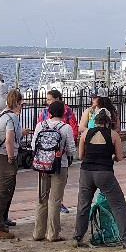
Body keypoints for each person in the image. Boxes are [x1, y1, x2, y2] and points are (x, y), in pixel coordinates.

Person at [72, 108, 126, 249]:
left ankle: (77, 237)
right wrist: (111, 157)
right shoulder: (113, 135)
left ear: (95, 120)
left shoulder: (86, 133)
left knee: (83, 204)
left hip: (86, 172)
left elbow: (81, 156)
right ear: (109, 121)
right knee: (118, 204)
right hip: (104, 172)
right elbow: (120, 157)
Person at [32, 100, 76, 242]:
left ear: (49, 113)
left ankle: (38, 232)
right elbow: (70, 150)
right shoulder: (66, 128)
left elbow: (34, 145)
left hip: (42, 166)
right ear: (63, 113)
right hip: (59, 165)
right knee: (55, 200)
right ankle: (53, 233)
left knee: (41, 199)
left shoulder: (40, 125)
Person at [0, 88, 23, 239]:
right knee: (3, 192)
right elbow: (9, 139)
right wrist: (11, 157)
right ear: (17, 103)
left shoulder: (2, 114)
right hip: (4, 158)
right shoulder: (12, 118)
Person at [37, 89, 78, 213]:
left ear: (58, 99)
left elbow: (74, 128)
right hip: (58, 157)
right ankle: (55, 206)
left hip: (44, 158)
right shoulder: (44, 113)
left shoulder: (68, 112)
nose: (47, 102)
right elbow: (72, 135)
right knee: (55, 186)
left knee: (48, 191)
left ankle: (57, 204)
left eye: (50, 99)